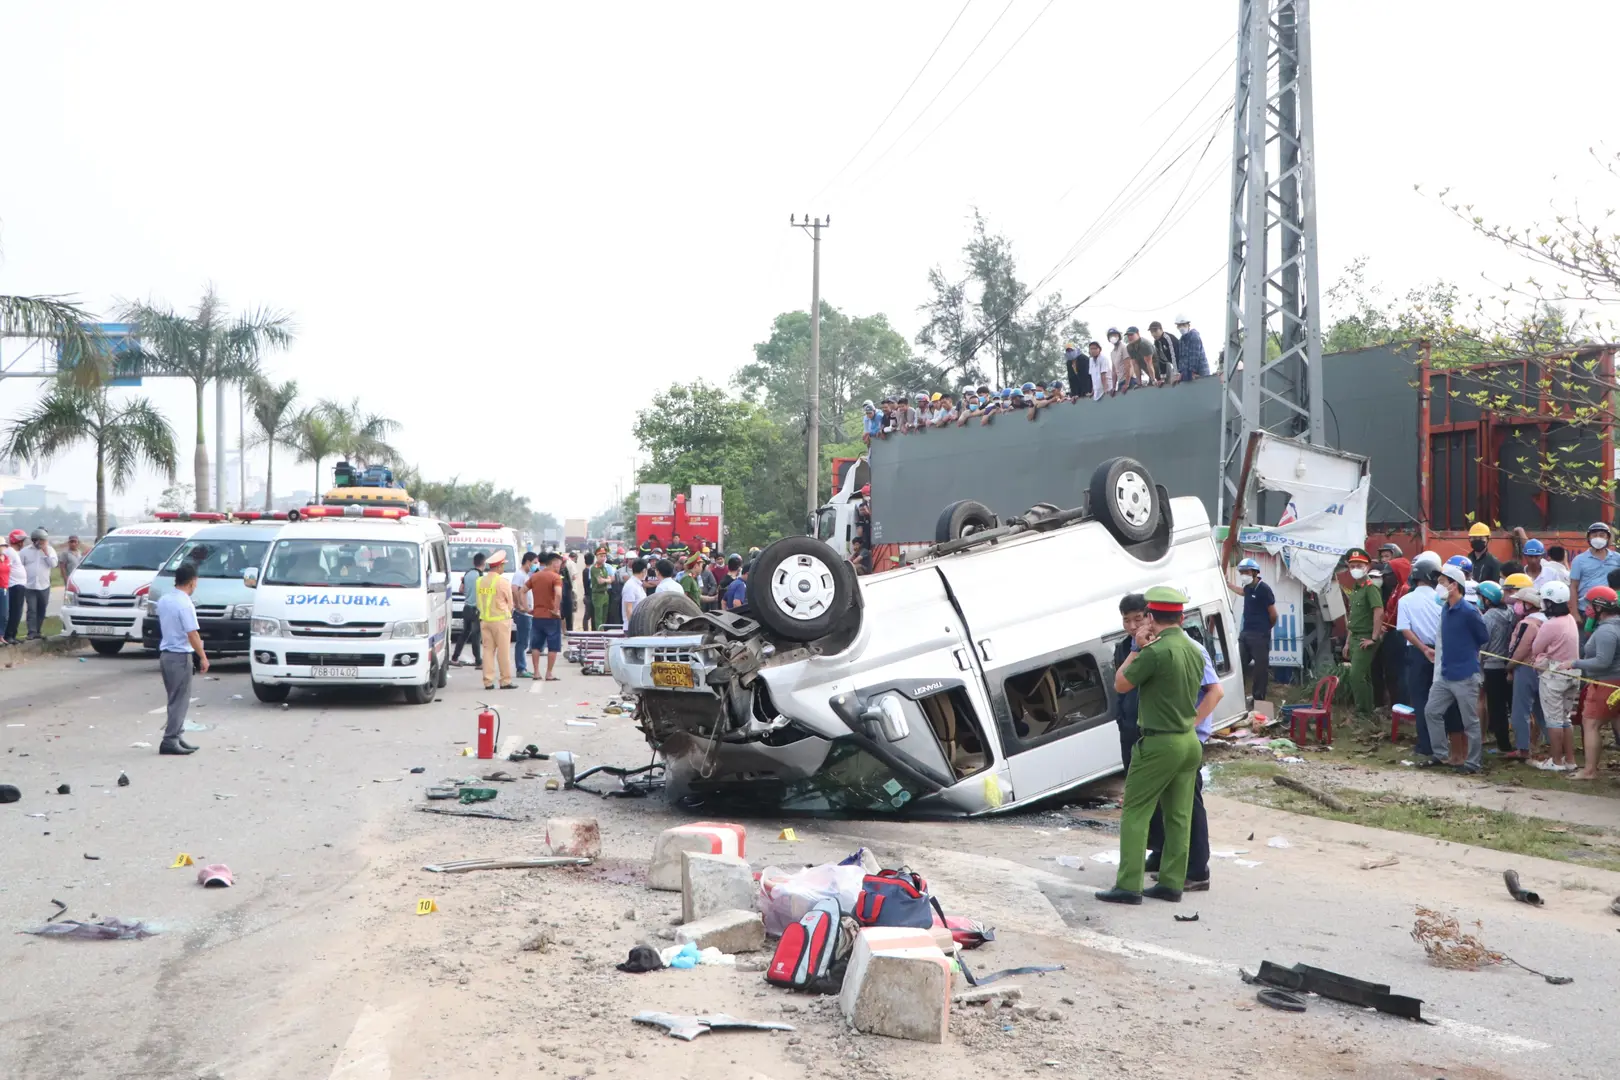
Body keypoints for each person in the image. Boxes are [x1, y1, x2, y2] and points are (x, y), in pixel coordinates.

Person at [1097, 586, 1209, 905]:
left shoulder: (1155, 651)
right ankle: (1172, 883)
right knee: (1179, 815)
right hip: (1189, 740)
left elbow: (1121, 683)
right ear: (1181, 616)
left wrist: (1137, 647)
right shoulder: (1193, 648)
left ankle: (1129, 885)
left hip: (1160, 742)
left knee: (1135, 812)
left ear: (1149, 617)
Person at [1421, 563, 1488, 774]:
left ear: (1454, 585)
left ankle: (1473, 763)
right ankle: (1441, 754)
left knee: (1470, 722)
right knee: (1431, 711)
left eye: (1442, 582)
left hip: (1465, 675)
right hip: (1445, 673)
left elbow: (1483, 637)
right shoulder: (1445, 609)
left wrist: (1466, 649)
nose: (1438, 586)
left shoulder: (1469, 611)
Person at [155, 561, 208, 756]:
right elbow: (192, 633)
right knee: (180, 700)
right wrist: (203, 657)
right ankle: (170, 740)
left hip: (166, 654)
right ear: (192, 582)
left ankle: (177, 735)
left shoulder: (165, 600)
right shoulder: (185, 603)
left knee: (173, 698)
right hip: (180, 655)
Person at [1570, 585, 1620, 780]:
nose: (1587, 608)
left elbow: (1602, 661)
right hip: (1614, 683)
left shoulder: (1606, 631)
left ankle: (1589, 770)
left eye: (1590, 604)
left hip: (1606, 684)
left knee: (1591, 724)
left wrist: (1574, 663)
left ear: (1599, 607)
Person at [1396, 552, 1444, 757]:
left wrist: (1423, 649)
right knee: (1443, 700)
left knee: (1421, 699)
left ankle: (1426, 745)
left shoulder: (1405, 600)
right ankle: (1446, 744)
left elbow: (1405, 630)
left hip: (1417, 653)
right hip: (1442, 652)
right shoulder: (1441, 598)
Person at [1531, 579, 1580, 771]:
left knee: (1553, 719)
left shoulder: (1550, 624)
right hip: (1573, 673)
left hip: (1554, 674)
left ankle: (1557, 761)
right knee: (1565, 718)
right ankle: (1570, 760)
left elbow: (1536, 648)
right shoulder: (1570, 620)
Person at [1505, 578, 1547, 761]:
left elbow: (1519, 650)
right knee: (1541, 710)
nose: (1517, 605)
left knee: (1520, 710)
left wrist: (1509, 666)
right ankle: (1552, 746)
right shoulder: (1546, 621)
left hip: (1526, 668)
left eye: (1519, 602)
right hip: (1542, 669)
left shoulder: (1527, 624)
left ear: (1528, 605)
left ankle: (1523, 748)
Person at [1342, 548, 1384, 713]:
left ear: (1367, 567)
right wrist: (1346, 642)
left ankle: (1362, 710)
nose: (1355, 569)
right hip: (1354, 637)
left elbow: (1378, 611)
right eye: (1352, 566)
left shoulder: (1370, 588)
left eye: (1359, 565)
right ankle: (1368, 710)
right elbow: (1354, 618)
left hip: (1365, 637)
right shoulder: (1356, 589)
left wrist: (1373, 638)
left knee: (1356, 675)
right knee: (1364, 676)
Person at [1232, 558, 1276, 702]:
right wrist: (1228, 584)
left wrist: (1266, 629)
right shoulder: (1248, 587)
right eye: (1241, 572)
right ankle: (1237, 697)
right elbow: (1242, 592)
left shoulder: (1264, 589)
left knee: (1260, 669)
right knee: (1238, 665)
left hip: (1259, 635)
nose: (1243, 574)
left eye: (1246, 572)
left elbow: (1273, 614)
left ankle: (1259, 699)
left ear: (1255, 572)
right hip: (1245, 633)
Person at [1479, 580, 1514, 754]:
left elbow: (1483, 643)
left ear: (1487, 599)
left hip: (1492, 666)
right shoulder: (1510, 612)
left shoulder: (1488, 617)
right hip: (1509, 664)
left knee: (1496, 707)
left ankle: (1503, 745)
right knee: (1511, 705)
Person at [475, 549, 516, 691]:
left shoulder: (480, 581)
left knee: (487, 651)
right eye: (503, 565)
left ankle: (488, 681)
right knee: (503, 652)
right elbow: (510, 603)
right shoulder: (502, 582)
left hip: (485, 620)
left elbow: (479, 601)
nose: (503, 568)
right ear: (498, 567)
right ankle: (505, 681)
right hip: (501, 621)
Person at [1568, 522, 1620, 620]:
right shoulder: (1579, 560)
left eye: (1601, 535)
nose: (1598, 538)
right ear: (1589, 538)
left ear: (1608, 538)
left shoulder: (1617, 558)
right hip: (1586, 610)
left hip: (1611, 610)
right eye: (1594, 535)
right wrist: (1574, 613)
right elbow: (1573, 587)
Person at [526, 552, 564, 682]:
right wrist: (555, 609)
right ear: (554, 563)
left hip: (537, 616)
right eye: (559, 563)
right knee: (553, 646)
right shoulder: (556, 577)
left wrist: (525, 608)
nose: (560, 566)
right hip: (551, 617)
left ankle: (536, 672)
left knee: (536, 645)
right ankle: (549, 673)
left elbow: (521, 591)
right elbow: (558, 594)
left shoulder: (535, 576)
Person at [450, 552, 485, 667]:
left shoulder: (467, 573)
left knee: (464, 634)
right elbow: (483, 593)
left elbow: (461, 589)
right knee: (476, 635)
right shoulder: (481, 576)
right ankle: (478, 661)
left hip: (466, 608)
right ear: (483, 563)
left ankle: (455, 658)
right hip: (476, 610)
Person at [511, 552, 536, 677]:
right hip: (522, 613)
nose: (535, 565)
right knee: (522, 642)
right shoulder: (519, 574)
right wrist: (519, 606)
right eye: (534, 563)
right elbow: (514, 590)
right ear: (528, 561)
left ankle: (523, 667)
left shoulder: (525, 575)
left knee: (524, 642)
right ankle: (521, 668)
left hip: (527, 613)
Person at [3, 529, 26, 643]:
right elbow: (6, 567)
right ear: (17, 541)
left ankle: (13, 634)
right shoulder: (10, 552)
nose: (23, 543)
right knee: (15, 612)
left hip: (19, 585)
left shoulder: (15, 552)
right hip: (14, 586)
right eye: (22, 540)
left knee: (18, 612)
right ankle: (9, 635)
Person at [1173, 316, 1207, 382]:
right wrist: (1180, 373)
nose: (1181, 327)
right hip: (1188, 375)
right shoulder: (1181, 340)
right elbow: (1182, 359)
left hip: (1200, 373)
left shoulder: (1194, 336)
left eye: (1184, 325)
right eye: (1179, 325)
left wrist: (1192, 372)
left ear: (1188, 325)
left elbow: (1194, 357)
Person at [621, 557, 648, 624]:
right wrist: (633, 627)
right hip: (632, 628)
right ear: (644, 571)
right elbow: (628, 609)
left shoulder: (638, 584)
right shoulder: (631, 586)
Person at [591, 549, 612, 629]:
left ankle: (603, 634)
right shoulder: (595, 568)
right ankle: (599, 635)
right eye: (601, 556)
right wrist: (607, 580)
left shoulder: (604, 567)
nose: (603, 558)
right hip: (598, 595)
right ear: (596, 557)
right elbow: (600, 581)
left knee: (604, 618)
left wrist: (606, 580)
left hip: (605, 594)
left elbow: (610, 579)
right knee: (598, 618)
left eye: (604, 556)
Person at [1107, 329, 1132, 393]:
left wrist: (1127, 384)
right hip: (1120, 382)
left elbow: (1128, 366)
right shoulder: (1112, 353)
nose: (1113, 337)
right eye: (1110, 336)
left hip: (1130, 381)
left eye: (1115, 335)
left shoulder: (1124, 348)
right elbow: (1114, 371)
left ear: (1119, 336)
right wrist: (1113, 387)